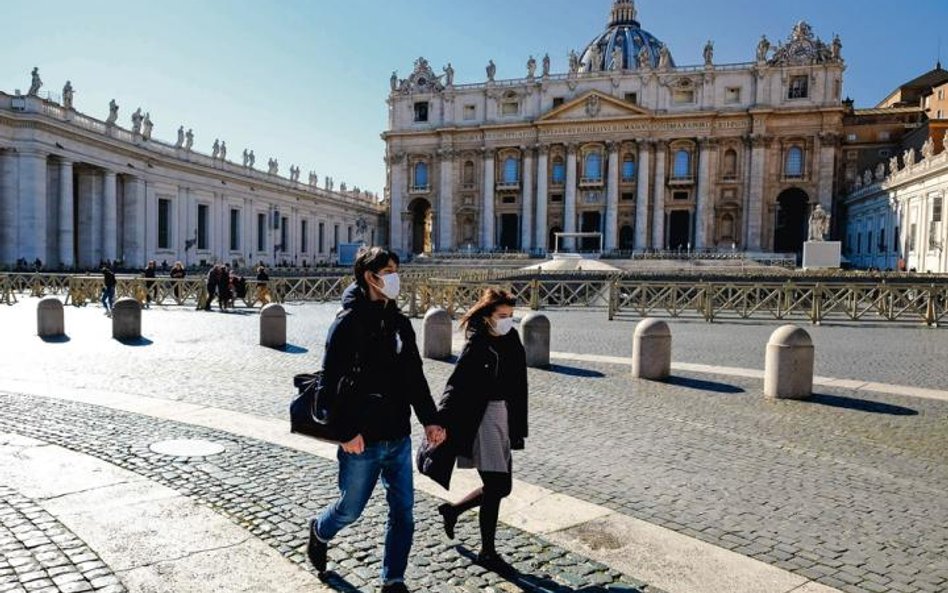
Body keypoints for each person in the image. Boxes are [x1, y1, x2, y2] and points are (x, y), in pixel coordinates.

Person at [308, 246, 445, 593]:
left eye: (397, 269)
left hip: (398, 435)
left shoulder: (400, 323)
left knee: (404, 513)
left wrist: (430, 420)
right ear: (370, 277)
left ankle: (393, 580)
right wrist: (344, 432)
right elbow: (329, 383)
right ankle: (320, 531)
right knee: (350, 509)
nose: (396, 277)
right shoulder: (347, 323)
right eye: (390, 271)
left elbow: (415, 376)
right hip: (360, 440)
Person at [435, 288, 528, 572]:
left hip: (505, 415)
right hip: (483, 417)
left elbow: (519, 386)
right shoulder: (477, 344)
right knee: (498, 485)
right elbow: (456, 383)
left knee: (502, 486)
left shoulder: (511, 338)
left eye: (511, 315)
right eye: (502, 316)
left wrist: (518, 428)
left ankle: (453, 511)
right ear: (487, 316)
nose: (508, 321)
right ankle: (487, 551)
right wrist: (438, 420)